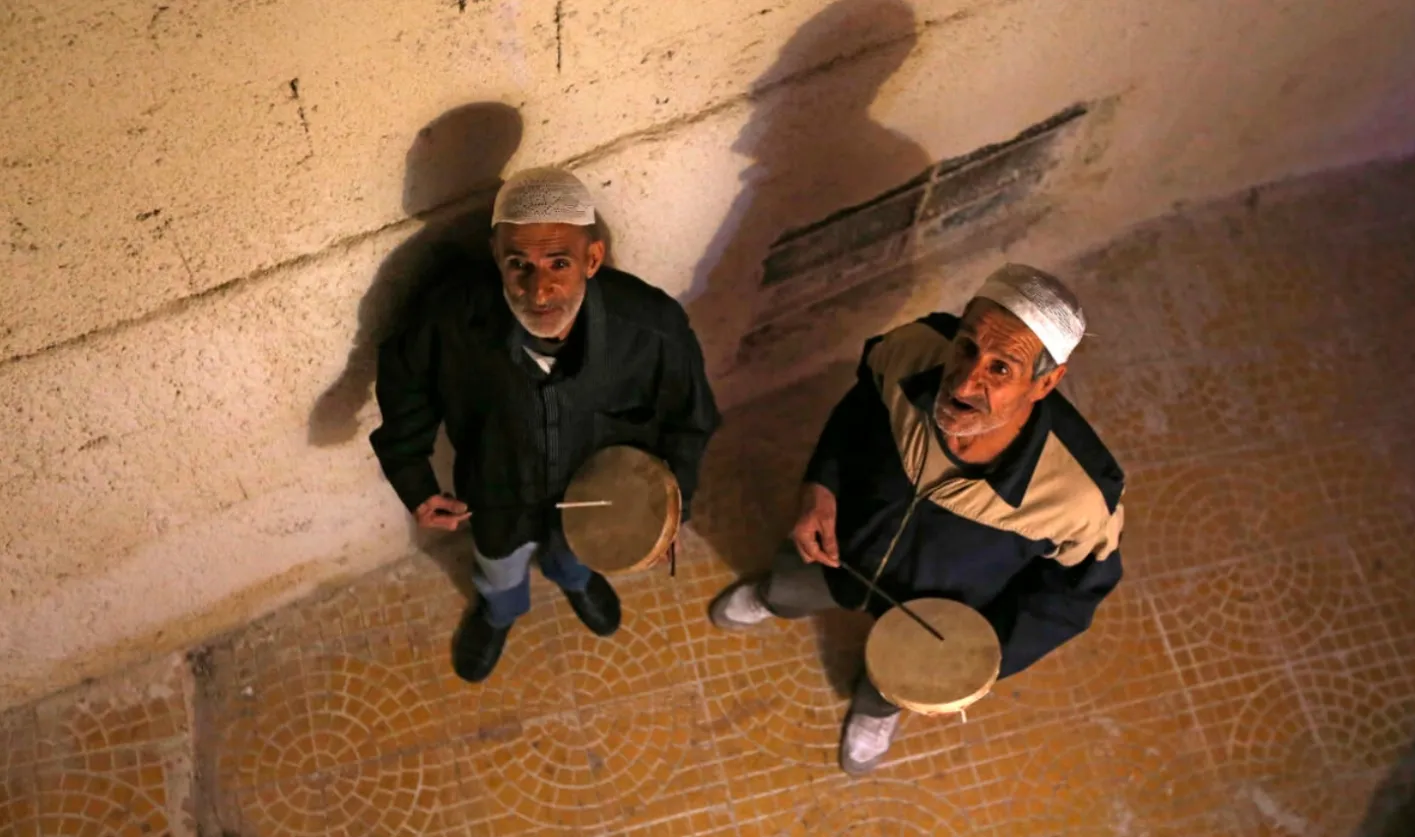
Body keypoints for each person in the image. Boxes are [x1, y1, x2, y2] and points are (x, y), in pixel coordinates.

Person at [710, 264, 1124, 775]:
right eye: (968, 346)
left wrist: (975, 659)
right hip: (844, 548)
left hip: (938, 616)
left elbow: (1073, 593)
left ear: (1046, 383)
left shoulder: (1079, 496)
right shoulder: (912, 352)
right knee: (793, 582)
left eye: (1001, 369)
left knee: (901, 677)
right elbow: (863, 403)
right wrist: (822, 484)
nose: (966, 381)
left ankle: (877, 706)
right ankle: (772, 595)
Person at [371, 167, 721, 683]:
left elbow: (690, 422)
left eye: (560, 262)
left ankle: (576, 579)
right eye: (520, 266)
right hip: (498, 492)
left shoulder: (650, 329)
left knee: (579, 553)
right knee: (498, 563)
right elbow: (405, 390)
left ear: (592, 259)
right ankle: (500, 612)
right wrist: (414, 481)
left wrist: (672, 509)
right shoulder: (449, 321)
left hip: (599, 497)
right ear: (497, 258)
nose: (539, 291)